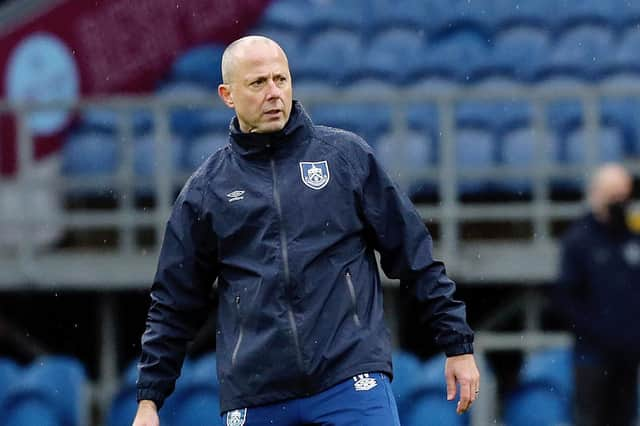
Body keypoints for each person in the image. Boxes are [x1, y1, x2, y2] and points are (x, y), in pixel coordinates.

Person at [133, 35, 480, 426]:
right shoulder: (206, 190)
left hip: (349, 380)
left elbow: (414, 254)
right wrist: (150, 399)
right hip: (257, 394)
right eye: (258, 83)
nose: (274, 93)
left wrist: (457, 344)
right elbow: (174, 302)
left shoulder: (346, 158)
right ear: (227, 95)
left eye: (281, 79)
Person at [554, 163, 640, 426]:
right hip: (592, 355)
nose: (620, 202)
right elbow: (566, 300)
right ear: (596, 194)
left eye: (623, 195)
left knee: (623, 418)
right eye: (613, 195)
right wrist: (600, 333)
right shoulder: (579, 240)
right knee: (590, 418)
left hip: (628, 355)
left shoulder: (633, 238)